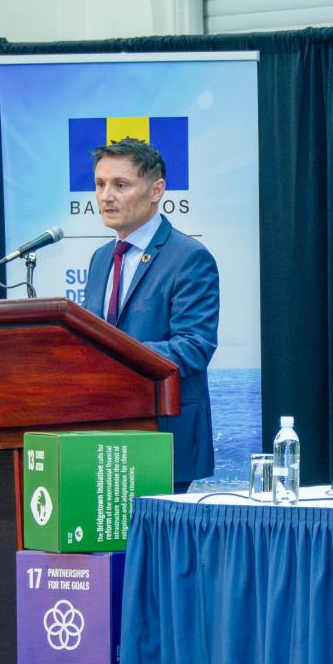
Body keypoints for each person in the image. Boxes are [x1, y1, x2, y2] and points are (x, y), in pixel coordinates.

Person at [83, 138, 221, 491]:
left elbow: (194, 347)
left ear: (156, 189)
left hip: (162, 433)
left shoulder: (189, 257)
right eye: (100, 184)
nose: (106, 196)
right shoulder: (101, 259)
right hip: (104, 432)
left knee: (151, 546)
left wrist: (116, 354)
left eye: (120, 185)